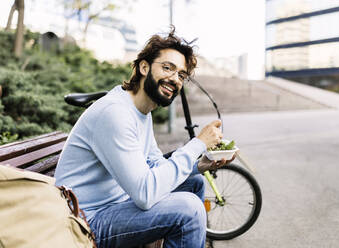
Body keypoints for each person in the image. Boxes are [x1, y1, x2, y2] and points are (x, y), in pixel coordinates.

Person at [54, 27, 234, 248]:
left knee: (193, 182)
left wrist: (198, 165)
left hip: (116, 203)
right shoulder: (115, 113)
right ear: (144, 67)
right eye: (168, 68)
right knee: (189, 210)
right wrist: (197, 143)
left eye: (181, 75)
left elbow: (154, 163)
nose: (174, 79)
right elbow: (145, 194)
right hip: (85, 221)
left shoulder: (141, 111)